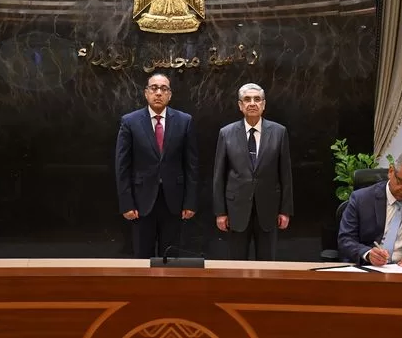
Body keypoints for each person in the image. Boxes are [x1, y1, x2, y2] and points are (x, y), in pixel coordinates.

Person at [115, 73, 198, 258]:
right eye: (154, 88)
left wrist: (190, 202)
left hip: (174, 201)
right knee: (142, 257)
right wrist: (126, 203)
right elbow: (122, 166)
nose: (158, 93)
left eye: (164, 89)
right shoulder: (130, 122)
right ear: (146, 93)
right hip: (141, 202)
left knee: (171, 257)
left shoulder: (185, 121)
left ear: (170, 94)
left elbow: (191, 166)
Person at [213, 83, 293, 260]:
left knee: (267, 263)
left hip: (268, 209)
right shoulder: (226, 133)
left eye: (257, 99)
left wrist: (285, 210)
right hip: (236, 210)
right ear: (240, 105)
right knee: (236, 263)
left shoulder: (279, 132)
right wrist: (220, 212)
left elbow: (285, 174)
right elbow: (219, 176)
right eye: (247, 99)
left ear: (263, 104)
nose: (252, 103)